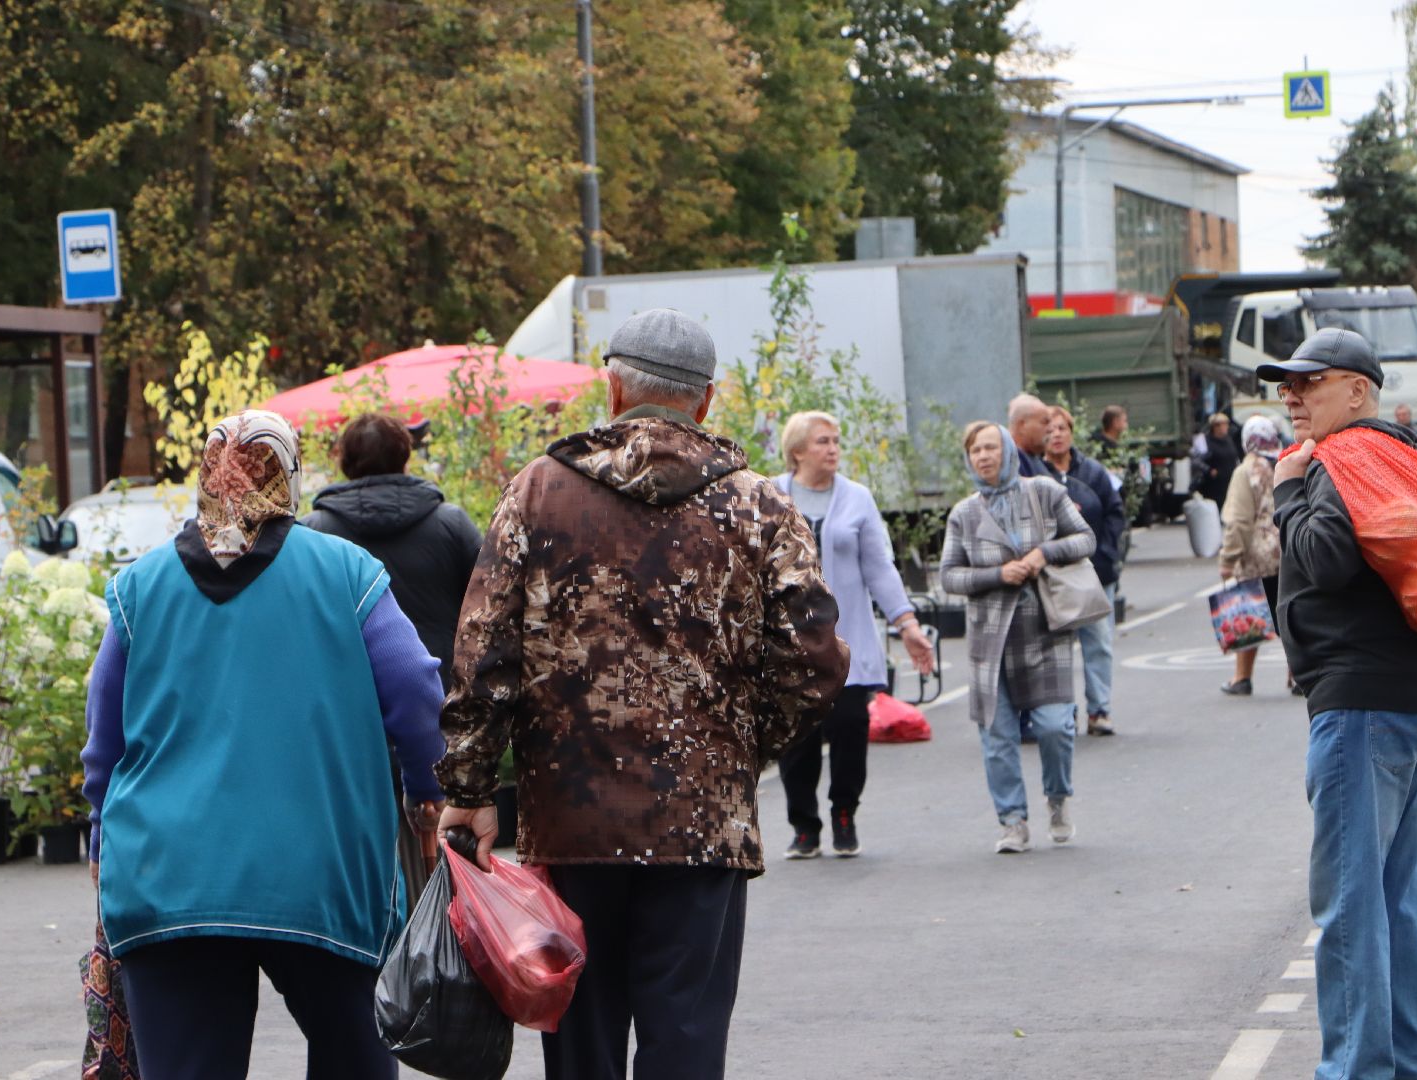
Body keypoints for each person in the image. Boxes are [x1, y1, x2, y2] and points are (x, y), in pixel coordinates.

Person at [434, 308, 850, 1079]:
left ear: (614, 387)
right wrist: (742, 746)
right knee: (685, 1040)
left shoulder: (538, 493)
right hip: (703, 822)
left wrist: (470, 786)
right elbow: (815, 661)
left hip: (571, 819)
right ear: (707, 399)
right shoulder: (760, 505)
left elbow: (483, 652)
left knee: (583, 1043)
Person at [82, 410, 448, 1080]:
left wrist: (104, 842)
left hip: (169, 879)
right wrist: (428, 795)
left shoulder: (140, 586)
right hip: (322, 875)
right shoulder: (346, 574)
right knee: (357, 1057)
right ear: (289, 474)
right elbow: (416, 691)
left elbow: (103, 742)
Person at [1260, 328, 1417, 1080]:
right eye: (1287, 385)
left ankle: (1356, 1071)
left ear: (1358, 391)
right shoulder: (1409, 457)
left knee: (1350, 908)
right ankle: (1412, 1067)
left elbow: (1326, 561)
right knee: (1401, 908)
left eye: (1310, 382)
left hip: (1360, 706)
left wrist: (1285, 489)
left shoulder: (1339, 460)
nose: (1293, 396)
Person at [302, 411, 482, 903]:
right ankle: (440, 954)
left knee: (361, 861)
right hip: (437, 711)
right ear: (406, 455)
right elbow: (490, 611)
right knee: (441, 862)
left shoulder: (313, 536)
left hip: (347, 723)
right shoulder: (450, 526)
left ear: (343, 461)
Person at [773, 411, 935, 859]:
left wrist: (907, 624)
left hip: (849, 642)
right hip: (789, 645)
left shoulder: (857, 498)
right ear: (798, 451)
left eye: (836, 441)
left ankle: (844, 812)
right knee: (797, 739)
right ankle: (803, 825)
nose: (833, 449)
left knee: (849, 728)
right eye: (823, 441)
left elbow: (879, 567)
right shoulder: (772, 494)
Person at [940, 421, 1096, 854]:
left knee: (1054, 726)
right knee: (997, 736)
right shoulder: (964, 514)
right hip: (990, 642)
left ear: (1008, 451)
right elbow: (948, 576)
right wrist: (997, 575)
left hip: (1045, 628)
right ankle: (1012, 821)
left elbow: (1086, 539)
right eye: (976, 451)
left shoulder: (1043, 492)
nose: (984, 456)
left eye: (992, 447)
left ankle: (1058, 799)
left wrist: (1045, 552)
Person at [1043, 406, 1125, 735]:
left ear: (1072, 432)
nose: (1057, 434)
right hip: (1051, 576)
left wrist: (1105, 554)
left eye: (1062, 428)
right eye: (1049, 429)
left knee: (1099, 641)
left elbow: (1115, 515)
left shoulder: (1092, 472)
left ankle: (1099, 710)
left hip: (1094, 573)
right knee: (1055, 648)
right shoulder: (1037, 474)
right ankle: (1061, 712)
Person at [1215, 416, 1286, 697]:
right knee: (1289, 617)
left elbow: (1239, 521)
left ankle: (1242, 678)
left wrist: (1228, 559)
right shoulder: (1284, 463)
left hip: (1256, 556)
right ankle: (1297, 677)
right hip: (1288, 551)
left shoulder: (1245, 471)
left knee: (1246, 614)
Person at [1197, 412, 1243, 509]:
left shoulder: (1229, 440)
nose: (1227, 427)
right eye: (1224, 424)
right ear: (1215, 427)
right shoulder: (1205, 441)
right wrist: (1209, 470)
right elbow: (1197, 460)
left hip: (1229, 482)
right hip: (1213, 486)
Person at [1007, 393, 1051, 477]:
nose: (1050, 429)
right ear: (1022, 425)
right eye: (1045, 422)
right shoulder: (1010, 462)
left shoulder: (1032, 458)